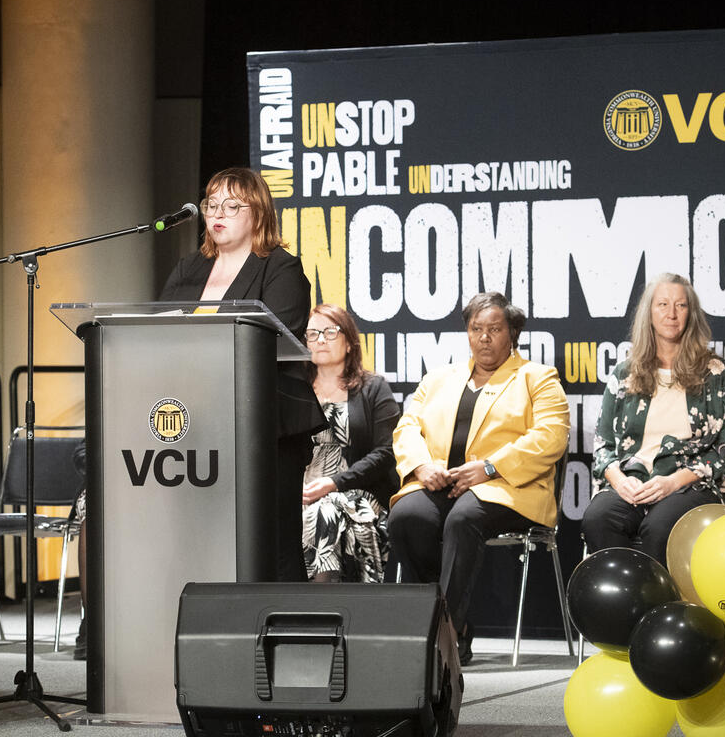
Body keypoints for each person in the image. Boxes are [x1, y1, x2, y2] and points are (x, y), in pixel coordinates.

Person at [160, 167, 327, 581]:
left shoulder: (280, 268)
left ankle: (289, 635)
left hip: (265, 424)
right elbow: (159, 332)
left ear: (258, 213)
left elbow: (273, 338)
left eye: (232, 206)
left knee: (273, 545)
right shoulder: (189, 269)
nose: (219, 213)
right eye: (212, 204)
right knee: (202, 541)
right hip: (195, 427)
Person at [388, 291, 569, 665]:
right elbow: (407, 427)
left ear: (512, 333)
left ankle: (445, 634)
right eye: (476, 329)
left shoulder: (537, 378)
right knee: (407, 517)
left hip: (506, 487)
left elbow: (551, 436)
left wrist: (488, 467)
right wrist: (423, 467)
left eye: (495, 329)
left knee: (464, 518)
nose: (484, 337)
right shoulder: (439, 378)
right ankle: (442, 623)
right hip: (441, 481)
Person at [583, 273, 725, 565]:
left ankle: (660, 607)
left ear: (691, 314)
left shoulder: (716, 372)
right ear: (649, 314)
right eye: (663, 304)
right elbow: (603, 446)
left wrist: (672, 483)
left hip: (688, 484)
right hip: (634, 480)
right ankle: (622, 606)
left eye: (681, 306)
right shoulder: (625, 373)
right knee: (599, 518)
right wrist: (619, 481)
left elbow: (723, 451)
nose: (671, 314)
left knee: (660, 527)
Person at [301, 303, 400, 582]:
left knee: (325, 509)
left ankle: (324, 604)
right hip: (300, 493)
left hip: (357, 491)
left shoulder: (372, 388)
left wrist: (335, 483)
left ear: (349, 343)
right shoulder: (293, 389)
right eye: (312, 333)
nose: (320, 339)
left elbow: (386, 452)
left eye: (330, 332)